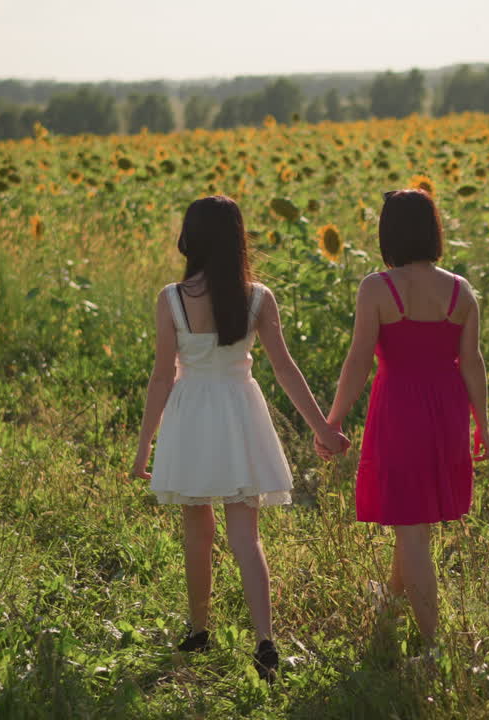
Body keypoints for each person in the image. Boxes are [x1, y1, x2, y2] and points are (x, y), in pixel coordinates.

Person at [132, 195, 348, 682]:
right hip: (240, 414)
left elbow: (161, 379)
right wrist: (323, 430)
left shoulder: (172, 298)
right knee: (246, 538)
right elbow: (285, 370)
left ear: (190, 239)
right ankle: (265, 640)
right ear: (237, 239)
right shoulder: (258, 297)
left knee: (197, 529)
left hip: (190, 417)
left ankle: (198, 628)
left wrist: (146, 444)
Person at [319, 188, 489, 654]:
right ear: (433, 230)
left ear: (388, 233)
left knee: (413, 528)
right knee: (414, 520)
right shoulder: (461, 290)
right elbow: (472, 362)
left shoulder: (378, 287)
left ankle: (433, 646)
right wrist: (484, 425)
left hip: (400, 410)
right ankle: (390, 605)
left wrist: (332, 420)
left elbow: (358, 361)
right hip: (448, 411)